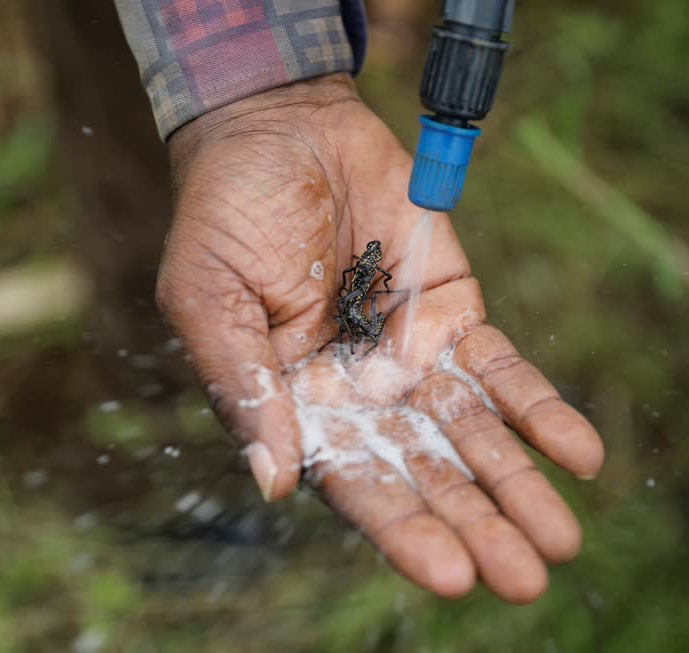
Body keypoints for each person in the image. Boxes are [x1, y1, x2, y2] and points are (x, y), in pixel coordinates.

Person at [34, 0, 605, 604]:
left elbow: (363, 290)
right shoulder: (359, 285)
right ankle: (183, 458)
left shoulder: (364, 286)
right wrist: (256, 97)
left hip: (356, 301)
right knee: (152, 193)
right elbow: (359, 290)